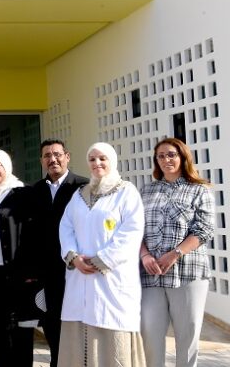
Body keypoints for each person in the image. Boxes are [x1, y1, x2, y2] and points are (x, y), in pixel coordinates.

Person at [58, 142, 145, 366]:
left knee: (112, 332)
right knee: (78, 331)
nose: (97, 163)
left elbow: (131, 232)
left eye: (102, 158)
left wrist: (101, 260)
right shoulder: (79, 195)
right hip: (79, 276)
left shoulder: (126, 192)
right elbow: (66, 227)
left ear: (112, 161)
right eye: (92, 159)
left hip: (111, 278)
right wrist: (73, 256)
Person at [139, 138, 215, 367]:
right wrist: (144, 255)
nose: (166, 160)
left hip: (188, 273)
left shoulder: (199, 190)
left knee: (187, 337)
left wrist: (175, 254)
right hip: (151, 274)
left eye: (171, 154)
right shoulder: (146, 191)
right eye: (161, 156)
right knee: (149, 334)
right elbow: (134, 229)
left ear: (183, 157)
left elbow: (204, 230)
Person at [29, 139, 87, 366]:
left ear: (67, 157)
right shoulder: (35, 190)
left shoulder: (83, 187)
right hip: (47, 272)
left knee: (78, 325)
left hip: (76, 268)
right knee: (51, 323)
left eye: (57, 154)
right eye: (47, 156)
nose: (52, 159)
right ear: (41, 161)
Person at [0, 149, 39, 367]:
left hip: (14, 272)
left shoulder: (22, 193)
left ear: (7, 166)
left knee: (19, 328)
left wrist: (31, 271)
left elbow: (33, 233)